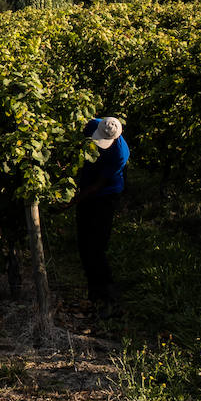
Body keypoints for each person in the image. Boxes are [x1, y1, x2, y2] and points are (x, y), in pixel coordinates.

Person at [71, 116, 129, 316]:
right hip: (87, 188)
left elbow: (98, 186)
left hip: (105, 196)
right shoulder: (95, 124)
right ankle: (93, 293)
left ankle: (108, 296)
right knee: (83, 242)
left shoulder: (120, 154)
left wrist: (73, 200)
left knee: (97, 245)